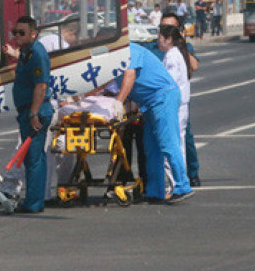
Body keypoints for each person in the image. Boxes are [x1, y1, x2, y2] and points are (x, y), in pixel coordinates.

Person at [71, 43, 192, 203]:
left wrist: (119, 103)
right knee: (151, 147)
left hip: (163, 97)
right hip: (148, 102)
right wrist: (81, 95)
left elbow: (130, 75)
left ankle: (183, 186)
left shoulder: (129, 50)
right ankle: (155, 191)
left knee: (167, 143)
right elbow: (103, 82)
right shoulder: (114, 59)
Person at [2, 16, 54, 213]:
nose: (17, 36)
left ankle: (33, 203)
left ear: (33, 34)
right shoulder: (26, 52)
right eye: (15, 32)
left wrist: (33, 113)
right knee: (33, 158)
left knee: (34, 159)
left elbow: (41, 85)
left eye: (21, 33)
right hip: (28, 111)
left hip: (36, 111)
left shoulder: (37, 54)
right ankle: (34, 201)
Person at [157, 24, 192, 196]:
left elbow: (168, 83)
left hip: (175, 106)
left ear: (168, 39)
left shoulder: (171, 57)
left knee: (171, 146)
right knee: (179, 145)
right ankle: (179, 181)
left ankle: (175, 184)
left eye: (160, 38)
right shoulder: (176, 54)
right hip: (181, 105)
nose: (158, 41)